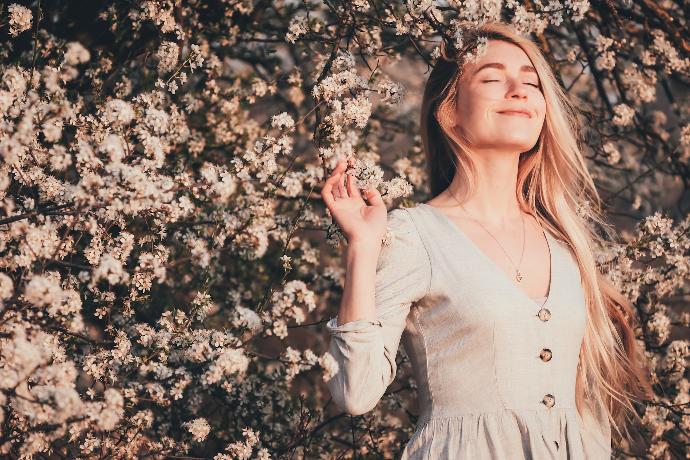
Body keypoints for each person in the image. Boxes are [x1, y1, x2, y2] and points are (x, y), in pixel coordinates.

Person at [320, 21, 653, 459]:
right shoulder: (414, 235)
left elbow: (585, 412)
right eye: (493, 78)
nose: (518, 90)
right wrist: (362, 247)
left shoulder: (567, 242)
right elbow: (355, 392)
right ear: (448, 111)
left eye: (531, 82)